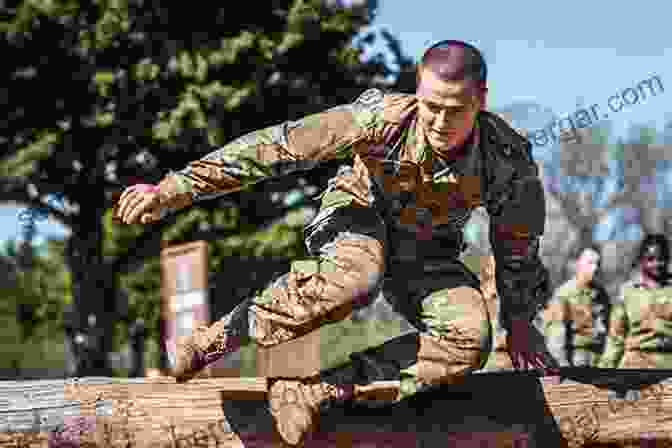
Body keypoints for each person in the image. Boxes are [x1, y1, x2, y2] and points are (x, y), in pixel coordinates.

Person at [115, 40, 558, 446]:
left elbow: (517, 246)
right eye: (431, 107)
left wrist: (519, 321)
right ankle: (218, 337)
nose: (440, 123)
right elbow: (277, 147)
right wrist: (176, 189)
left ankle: (313, 390)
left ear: (481, 99)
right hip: (358, 217)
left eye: (456, 109)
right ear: (417, 93)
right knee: (357, 275)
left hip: (425, 249)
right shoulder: (382, 120)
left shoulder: (508, 162)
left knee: (470, 336)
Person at [599, 234, 672, 369]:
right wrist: (605, 370)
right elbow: (616, 337)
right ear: (641, 260)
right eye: (650, 259)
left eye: (661, 259)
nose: (656, 264)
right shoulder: (628, 293)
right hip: (635, 365)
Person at [542, 246, 611, 367]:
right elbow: (556, 338)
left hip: (600, 360)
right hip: (577, 360)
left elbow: (608, 330)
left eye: (597, 264)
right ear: (579, 264)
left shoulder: (601, 294)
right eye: (590, 263)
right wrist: (563, 367)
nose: (594, 268)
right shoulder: (565, 294)